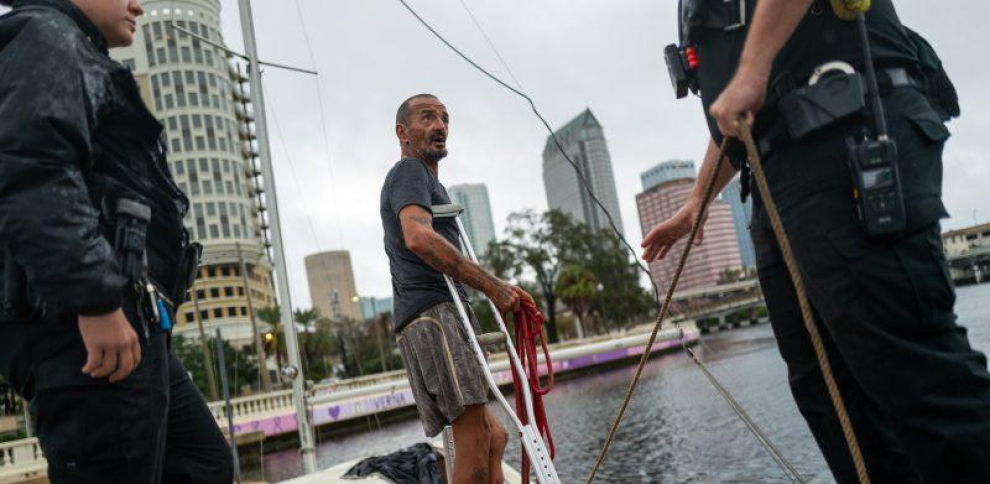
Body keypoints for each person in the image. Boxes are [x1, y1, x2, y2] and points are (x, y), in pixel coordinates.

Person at [644, 1, 990, 482]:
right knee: (826, 394)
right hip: (778, 166)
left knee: (913, 374)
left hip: (844, 134)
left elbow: (751, 82)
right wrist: (697, 200)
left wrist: (753, 69)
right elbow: (739, 107)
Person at [0, 1, 233, 482]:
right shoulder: (46, 37)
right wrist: (95, 299)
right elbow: (32, 171)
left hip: (131, 324)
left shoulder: (63, 46)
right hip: (86, 332)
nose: (137, 4)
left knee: (202, 464)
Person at [381, 93, 529, 483]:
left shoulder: (427, 181)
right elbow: (418, 237)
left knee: (493, 436)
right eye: (427, 117)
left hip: (440, 315)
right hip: (435, 314)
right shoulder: (409, 172)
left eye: (445, 119)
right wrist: (493, 287)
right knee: (475, 446)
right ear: (402, 132)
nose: (440, 125)